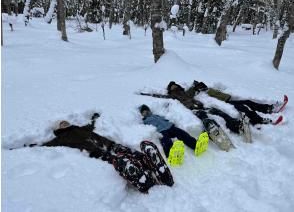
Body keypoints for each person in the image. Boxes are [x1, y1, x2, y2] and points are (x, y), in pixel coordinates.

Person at [23, 113, 174, 193]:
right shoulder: (62, 138)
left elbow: (90, 125)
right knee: (120, 159)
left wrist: (94, 118)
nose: (65, 123)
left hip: (110, 144)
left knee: (131, 153)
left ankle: (153, 166)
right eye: (62, 124)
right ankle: (139, 175)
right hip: (96, 152)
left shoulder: (80, 128)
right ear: (59, 129)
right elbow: (48, 144)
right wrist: (30, 145)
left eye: (65, 121)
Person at [139, 82, 249, 148]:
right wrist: (147, 94)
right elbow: (161, 96)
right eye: (171, 86)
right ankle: (210, 129)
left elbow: (193, 89)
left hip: (201, 106)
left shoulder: (186, 92)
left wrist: (196, 85)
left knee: (219, 112)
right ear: (170, 90)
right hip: (194, 109)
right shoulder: (174, 96)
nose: (174, 87)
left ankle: (236, 126)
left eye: (174, 85)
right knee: (205, 118)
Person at [191, 80, 286, 125]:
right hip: (224, 105)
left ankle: (269, 108)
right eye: (199, 85)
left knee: (248, 102)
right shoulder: (200, 96)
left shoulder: (208, 90)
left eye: (201, 85)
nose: (202, 86)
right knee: (243, 107)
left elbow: (219, 94)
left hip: (227, 100)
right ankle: (259, 120)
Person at [139, 105, 208, 165]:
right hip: (161, 131)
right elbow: (145, 128)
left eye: (147, 110)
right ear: (142, 114)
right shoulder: (144, 120)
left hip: (170, 127)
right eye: (144, 112)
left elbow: (165, 119)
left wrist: (169, 122)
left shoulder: (156, 115)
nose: (147, 112)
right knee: (166, 140)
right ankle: (171, 155)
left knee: (183, 134)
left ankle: (195, 145)